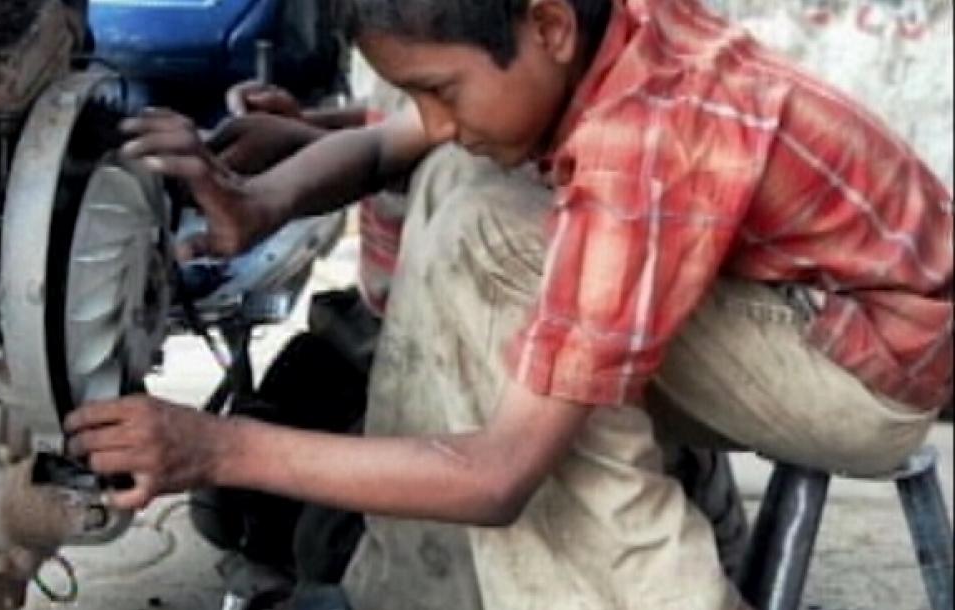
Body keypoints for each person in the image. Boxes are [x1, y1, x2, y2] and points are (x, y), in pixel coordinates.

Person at [66, 0, 953, 608]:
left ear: (549, 26)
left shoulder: (644, 137)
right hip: (792, 312)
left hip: (863, 366)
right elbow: (392, 147)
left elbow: (498, 477)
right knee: (458, 172)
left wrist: (214, 447)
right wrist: (260, 197)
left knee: (491, 234)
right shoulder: (589, 31)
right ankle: (416, 592)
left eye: (438, 90)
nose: (431, 115)